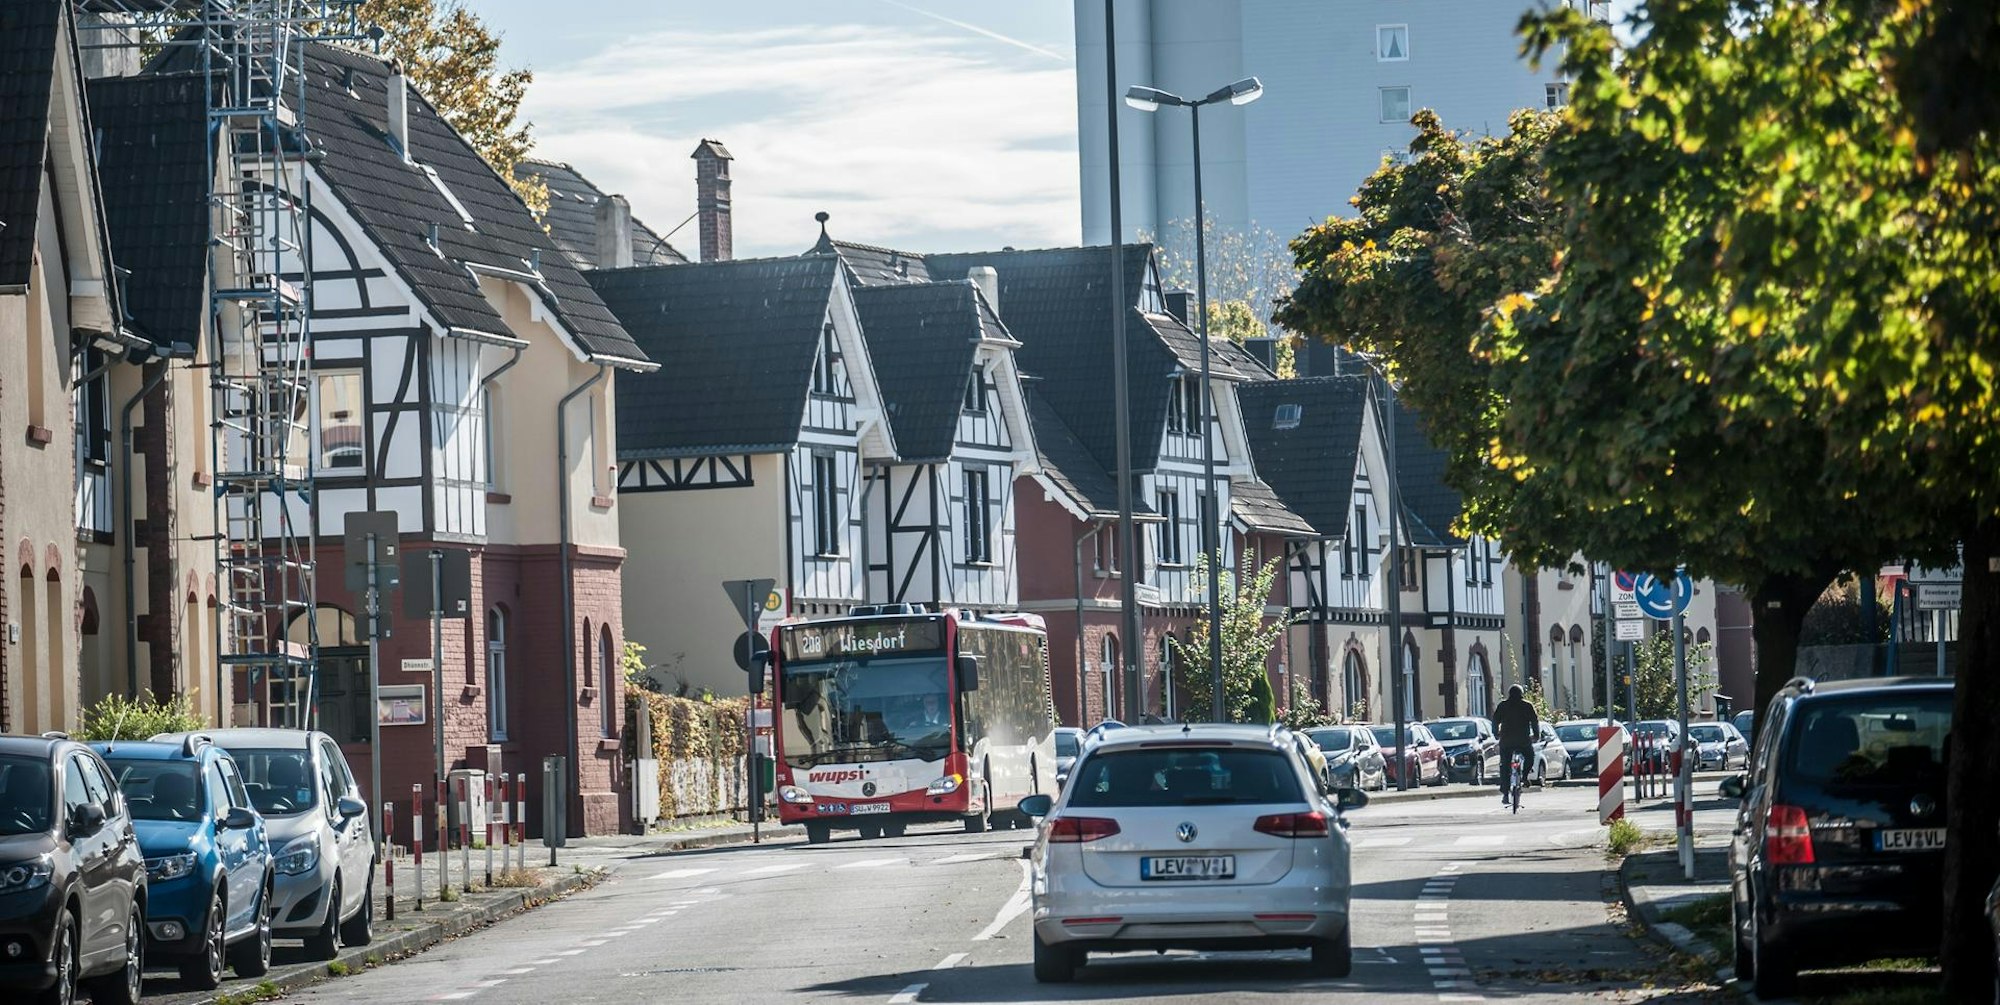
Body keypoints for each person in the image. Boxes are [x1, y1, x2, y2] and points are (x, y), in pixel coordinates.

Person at [1492, 685, 1540, 804]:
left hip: (1506, 741)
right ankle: (1524, 777)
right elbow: (1534, 721)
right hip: (1523, 741)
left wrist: (1496, 734)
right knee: (1530, 757)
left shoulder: (1503, 705)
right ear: (1521, 694)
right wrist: (1536, 735)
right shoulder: (1527, 706)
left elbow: (1495, 720)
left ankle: (1505, 793)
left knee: (1504, 765)